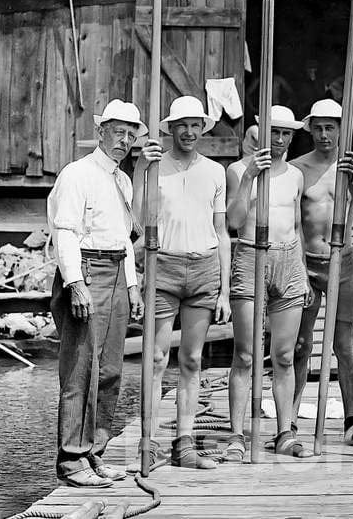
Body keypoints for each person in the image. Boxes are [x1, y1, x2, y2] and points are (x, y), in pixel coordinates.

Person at [47, 99, 145, 487]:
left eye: (130, 134)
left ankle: (94, 452)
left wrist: (133, 285)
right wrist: (75, 283)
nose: (123, 140)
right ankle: (72, 460)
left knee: (110, 370)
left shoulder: (122, 180)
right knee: (80, 370)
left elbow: (124, 239)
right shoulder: (77, 174)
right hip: (86, 271)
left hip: (116, 271)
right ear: (101, 131)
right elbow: (64, 231)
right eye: (117, 132)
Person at [132, 96, 231, 470]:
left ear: (203, 129)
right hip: (163, 268)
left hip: (204, 269)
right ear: (170, 129)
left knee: (191, 359)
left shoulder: (214, 171)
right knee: (155, 359)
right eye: (181, 126)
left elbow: (221, 231)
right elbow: (139, 221)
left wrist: (223, 289)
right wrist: (142, 167)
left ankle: (184, 445)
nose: (189, 132)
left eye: (195, 125)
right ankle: (148, 442)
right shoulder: (156, 168)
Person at [223, 104, 310, 460]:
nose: (278, 140)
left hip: (288, 259)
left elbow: (298, 226)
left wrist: (301, 271)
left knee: (285, 356)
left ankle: (285, 432)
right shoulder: (237, 170)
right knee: (245, 354)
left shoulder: (295, 175)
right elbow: (233, 220)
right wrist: (248, 180)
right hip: (250, 255)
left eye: (285, 134)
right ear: (262, 132)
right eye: (274, 132)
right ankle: (236, 435)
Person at [288, 99, 353, 447]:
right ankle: (289, 418)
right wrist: (298, 270)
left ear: (340, 129)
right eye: (317, 127)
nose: (323, 134)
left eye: (330, 127)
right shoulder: (297, 169)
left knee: (344, 346)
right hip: (305, 261)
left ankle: (352, 421)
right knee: (301, 345)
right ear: (310, 129)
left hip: (342, 260)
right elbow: (291, 222)